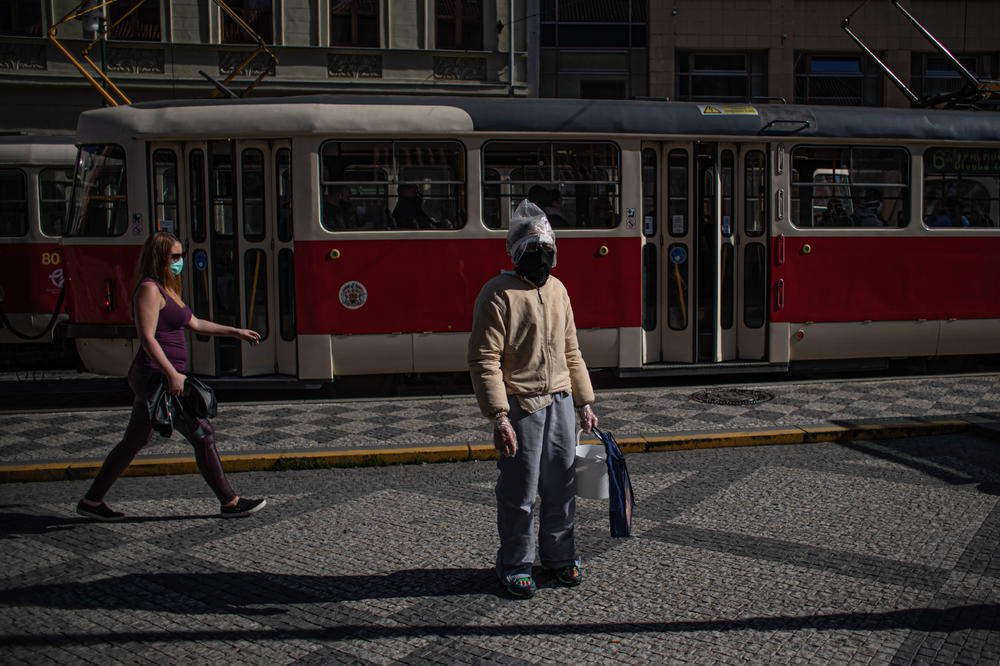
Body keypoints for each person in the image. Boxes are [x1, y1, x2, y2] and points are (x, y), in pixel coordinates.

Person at [76, 231, 266, 522]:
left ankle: (92, 500)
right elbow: (148, 338)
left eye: (180, 256)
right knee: (203, 435)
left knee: (134, 441)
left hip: (159, 375)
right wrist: (171, 373)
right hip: (156, 376)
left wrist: (235, 331)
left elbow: (196, 323)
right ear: (159, 258)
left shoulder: (168, 288)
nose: (179, 262)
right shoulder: (149, 290)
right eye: (174, 257)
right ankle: (230, 502)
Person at [468, 199, 599, 599]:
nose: (540, 260)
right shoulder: (497, 294)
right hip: (521, 406)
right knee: (520, 493)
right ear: (516, 253)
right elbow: (484, 358)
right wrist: (499, 417)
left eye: (546, 251)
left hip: (560, 401)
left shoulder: (559, 291)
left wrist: (585, 402)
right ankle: (515, 563)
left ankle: (560, 558)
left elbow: (571, 350)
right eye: (532, 251)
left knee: (563, 488)